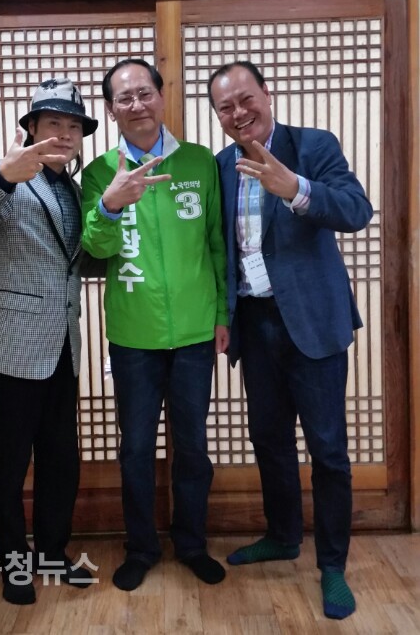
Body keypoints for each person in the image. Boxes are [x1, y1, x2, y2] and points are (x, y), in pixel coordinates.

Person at [207, 61, 373, 619]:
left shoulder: (313, 146)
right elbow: (223, 249)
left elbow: (356, 210)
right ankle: (282, 534)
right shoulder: (221, 166)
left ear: (267, 93)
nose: (238, 113)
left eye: (246, 99)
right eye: (226, 107)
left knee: (327, 448)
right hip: (255, 324)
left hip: (312, 322)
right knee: (268, 438)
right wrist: (222, 313)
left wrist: (297, 190)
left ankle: (333, 565)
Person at [81, 58, 229, 591]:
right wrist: (110, 205)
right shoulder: (99, 171)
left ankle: (191, 543)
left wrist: (222, 314)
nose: (136, 104)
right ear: (111, 110)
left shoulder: (199, 161)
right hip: (133, 335)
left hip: (194, 332)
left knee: (192, 446)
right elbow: (94, 249)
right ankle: (141, 547)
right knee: (137, 448)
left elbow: (217, 243)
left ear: (162, 97)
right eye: (124, 97)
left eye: (144, 92)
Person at [0, 78, 98, 605]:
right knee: (12, 466)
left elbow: (74, 261)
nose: (64, 133)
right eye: (53, 122)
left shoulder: (75, 191)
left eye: (74, 126)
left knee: (61, 461)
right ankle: (14, 564)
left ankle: (53, 554)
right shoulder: (8, 176)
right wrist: (1, 178)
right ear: (32, 128)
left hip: (63, 347)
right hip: (13, 348)